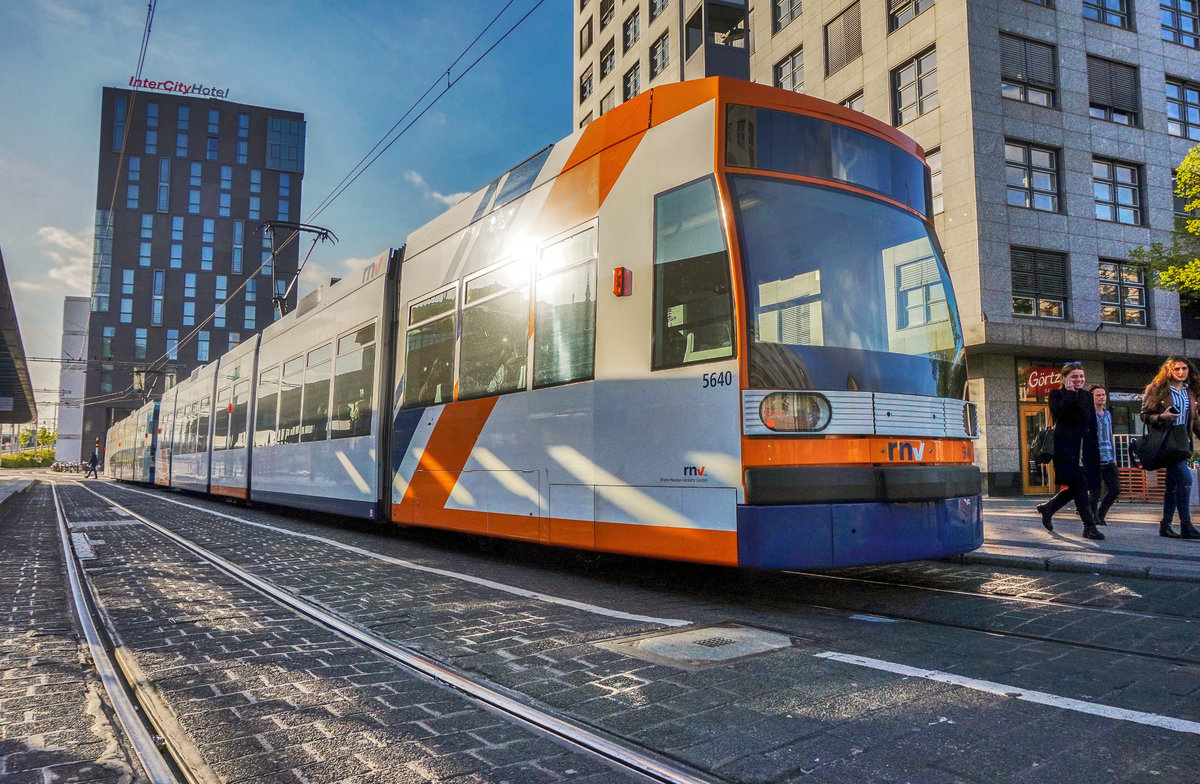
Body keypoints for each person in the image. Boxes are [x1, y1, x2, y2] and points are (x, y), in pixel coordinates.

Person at [1036, 362, 1104, 540]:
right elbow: (1064, 416)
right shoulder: (1056, 395)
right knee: (1079, 486)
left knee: (1077, 487)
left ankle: (1048, 508)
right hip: (1066, 450)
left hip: (1085, 449)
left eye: (1081, 376)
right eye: (1074, 376)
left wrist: (1095, 449)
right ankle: (1089, 527)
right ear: (1065, 378)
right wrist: (1069, 394)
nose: (1079, 379)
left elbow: (1089, 421)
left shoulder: (1087, 396)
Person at [1139, 356, 1200, 539]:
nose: (1181, 372)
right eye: (1176, 369)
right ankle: (1186, 525)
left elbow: (1195, 419)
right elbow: (1144, 415)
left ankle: (1165, 525)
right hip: (1166, 442)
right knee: (1186, 479)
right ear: (1169, 370)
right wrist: (1161, 417)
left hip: (1183, 441)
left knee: (1172, 485)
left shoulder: (1190, 391)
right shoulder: (1157, 389)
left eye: (1184, 368)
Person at [1088, 383, 1121, 526]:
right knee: (1095, 493)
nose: (1101, 397)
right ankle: (1093, 518)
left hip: (1108, 458)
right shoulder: (1088, 414)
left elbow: (1110, 435)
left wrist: (1114, 457)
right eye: (1098, 395)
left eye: (1103, 395)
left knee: (1115, 489)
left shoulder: (1107, 414)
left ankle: (1101, 514)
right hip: (1094, 458)